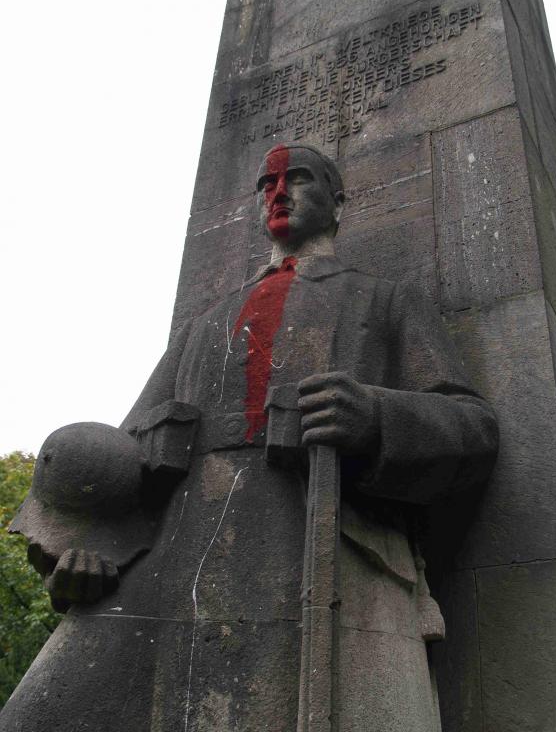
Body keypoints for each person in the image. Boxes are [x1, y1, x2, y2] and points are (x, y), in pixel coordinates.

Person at [2, 143, 498, 732]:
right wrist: (85, 554)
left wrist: (374, 415)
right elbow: (129, 460)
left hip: (331, 552)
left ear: (337, 204)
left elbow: (472, 428)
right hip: (177, 563)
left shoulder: (385, 300)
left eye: (298, 178)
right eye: (267, 183)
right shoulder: (204, 325)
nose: (279, 192)